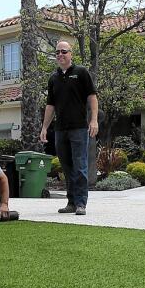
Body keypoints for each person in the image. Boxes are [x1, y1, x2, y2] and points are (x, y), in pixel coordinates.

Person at [40, 41, 98, 216]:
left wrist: (93, 120)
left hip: (79, 128)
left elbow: (92, 97)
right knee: (66, 167)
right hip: (60, 129)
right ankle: (71, 202)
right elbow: (50, 105)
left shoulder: (81, 73)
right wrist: (44, 128)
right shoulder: (53, 78)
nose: (60, 55)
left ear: (71, 54)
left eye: (64, 51)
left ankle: (81, 203)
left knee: (80, 166)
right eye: (57, 52)